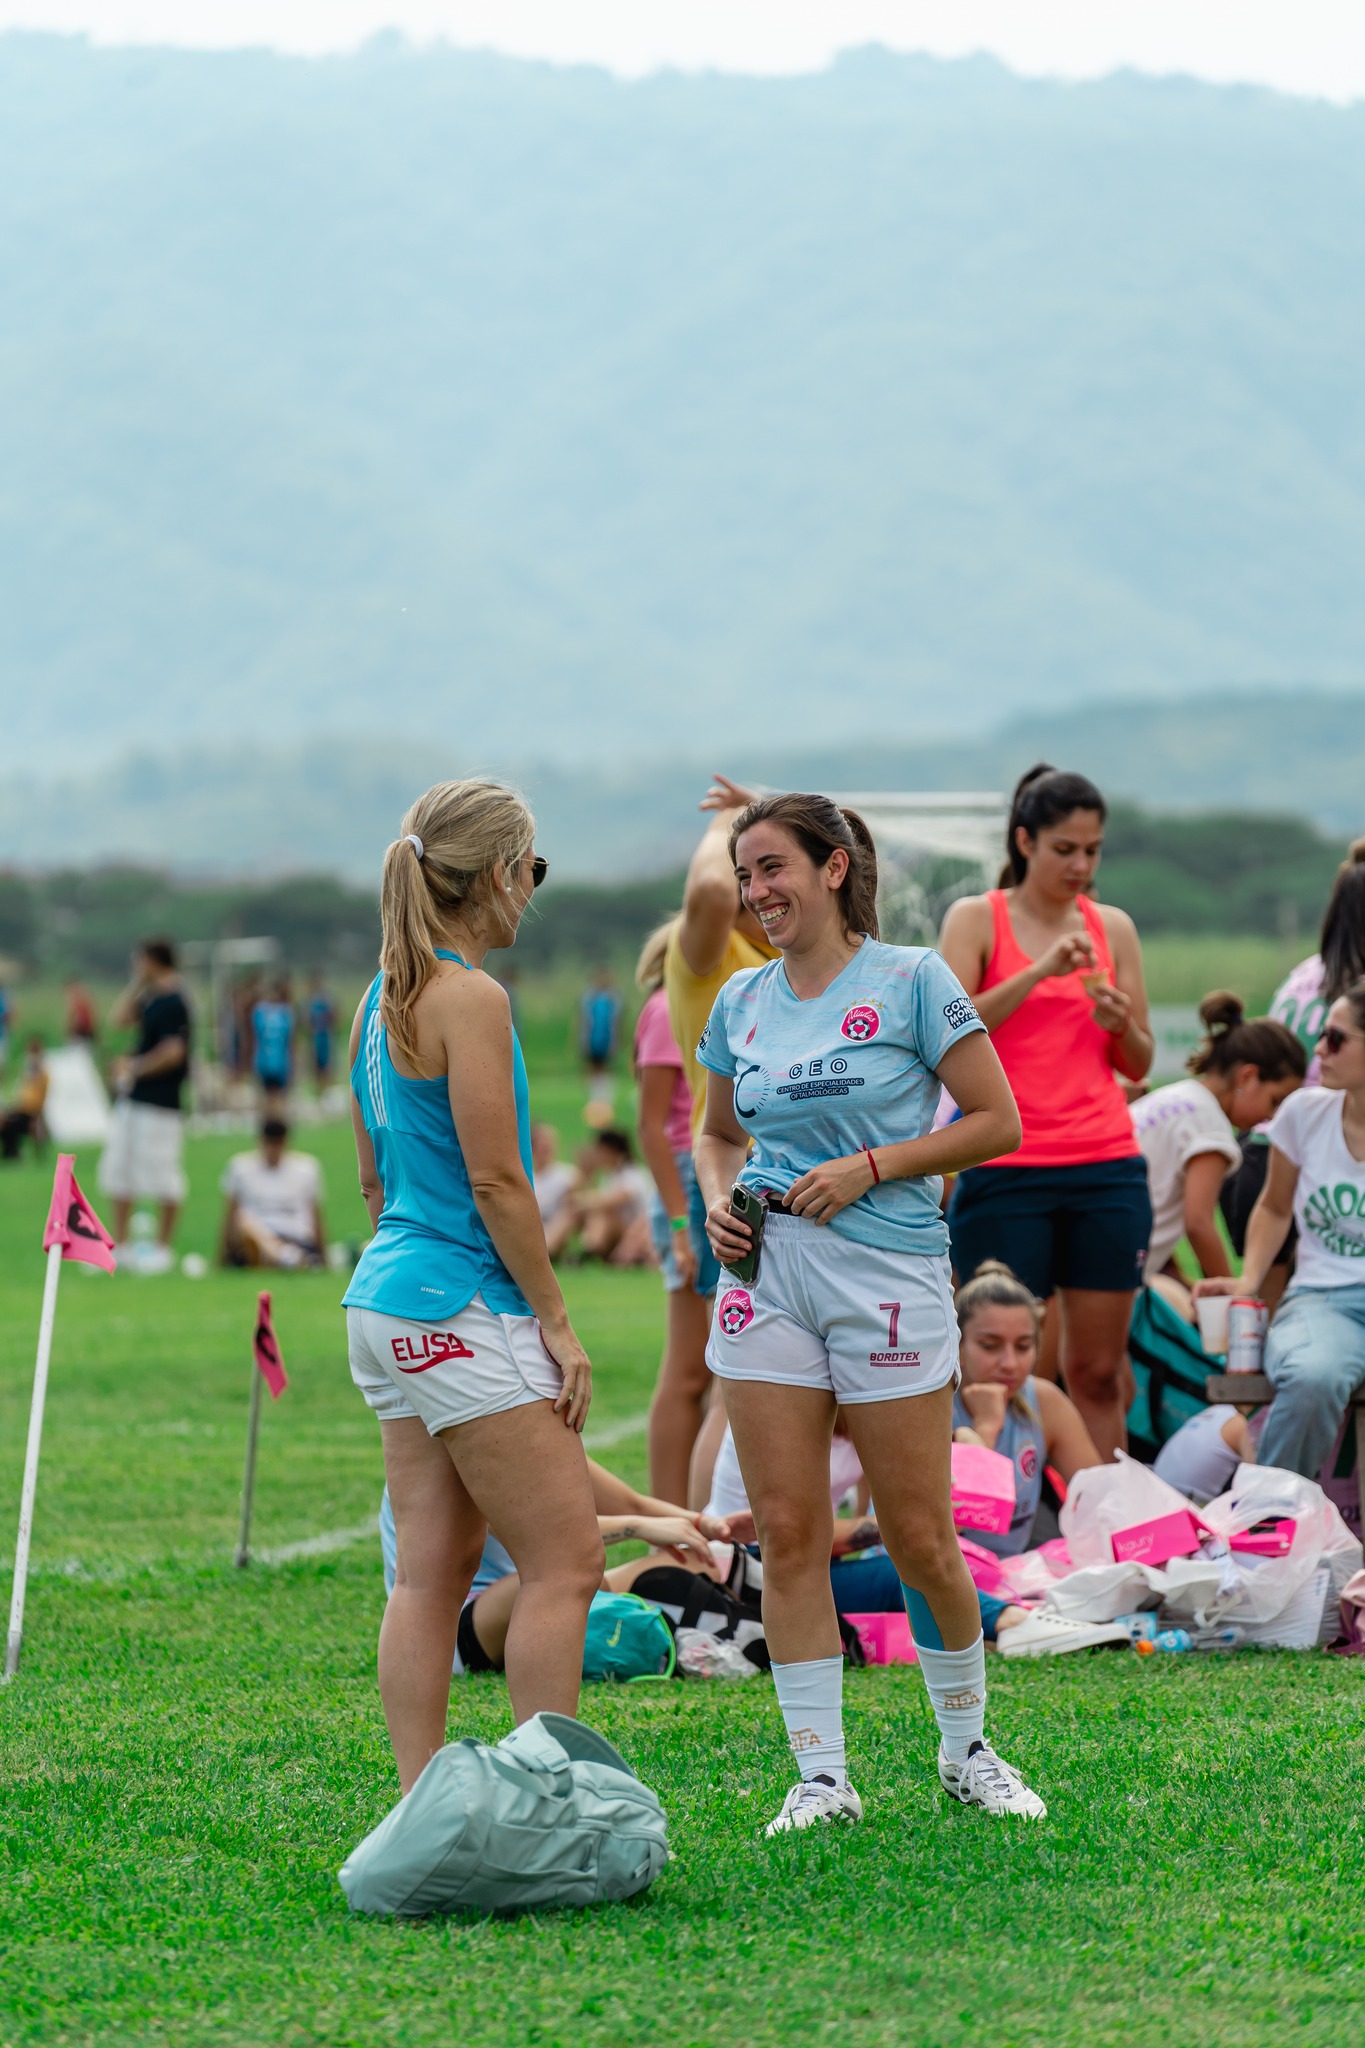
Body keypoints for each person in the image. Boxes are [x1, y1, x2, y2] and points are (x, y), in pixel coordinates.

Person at [696, 790, 1046, 1834]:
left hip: (887, 1275)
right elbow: (717, 1133)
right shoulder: (740, 1001)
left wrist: (873, 1166)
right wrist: (721, 1200)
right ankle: (821, 1775)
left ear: (835, 866)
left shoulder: (910, 979)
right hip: (767, 1279)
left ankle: (967, 1747)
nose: (758, 892)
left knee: (918, 1532)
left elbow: (997, 1120)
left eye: (773, 868)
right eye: (745, 872)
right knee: (791, 1532)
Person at [342, 779, 603, 1795]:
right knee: (566, 1559)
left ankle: (419, 1804)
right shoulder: (469, 996)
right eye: (531, 869)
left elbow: (374, 1178)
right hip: (456, 1300)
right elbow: (498, 1180)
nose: (531, 889)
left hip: (386, 1297)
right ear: (498, 873)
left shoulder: (379, 997)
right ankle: (549, 1800)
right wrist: (557, 1320)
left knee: (429, 1571)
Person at [939, 765, 1154, 1460]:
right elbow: (940, 1028)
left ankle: (1101, 1529)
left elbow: (1139, 1063)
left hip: (1104, 1166)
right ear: (1025, 841)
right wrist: (1035, 974)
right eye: (1065, 849)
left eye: (1092, 851)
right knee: (1002, 1375)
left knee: (1095, 1373)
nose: (1080, 865)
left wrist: (1120, 1023)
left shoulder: (1111, 927)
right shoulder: (977, 919)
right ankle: (1005, 1531)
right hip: (1005, 1167)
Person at [705, 1417, 1129, 1660]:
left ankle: (1013, 1625)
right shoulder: (785, 1419)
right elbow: (794, 1534)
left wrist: (973, 1428)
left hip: (816, 1558)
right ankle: (1013, 1625)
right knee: (901, 1570)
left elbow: (966, 1472)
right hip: (748, 1565)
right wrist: (900, 1530)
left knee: (926, 1557)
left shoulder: (864, 1420)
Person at [1195, 979, 1365, 1482]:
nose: (1319, 1050)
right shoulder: (1303, 1112)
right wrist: (1248, 1283)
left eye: (1335, 1039)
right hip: (1324, 1299)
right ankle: (1269, 1519)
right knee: (1313, 1376)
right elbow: (1273, 1208)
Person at [665, 773, 780, 1497]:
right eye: (748, 876)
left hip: (791, 1179)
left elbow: (844, 845)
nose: (759, 890)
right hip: (737, 1178)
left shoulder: (784, 963)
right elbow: (709, 894)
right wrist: (728, 821)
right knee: (725, 1386)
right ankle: (714, 1549)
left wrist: (769, 804)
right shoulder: (710, 964)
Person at [379, 1459, 734, 1677]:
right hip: (460, 1628)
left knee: (705, 1561)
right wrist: (636, 1527)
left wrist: (709, 1527)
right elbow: (540, 1536)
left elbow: (630, 1501)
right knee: (557, 1570)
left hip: (530, 1593)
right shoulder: (473, 1435)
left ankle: (728, 1623)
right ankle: (703, 1630)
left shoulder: (528, 1430)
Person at [1222, 839, 1365, 1310]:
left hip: (1258, 1162)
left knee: (1272, 1342)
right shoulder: (1356, 1001)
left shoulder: (1303, 976)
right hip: (1311, 1171)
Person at [635, 918, 722, 1505]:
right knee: (689, 1371)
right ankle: (671, 1521)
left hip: (708, 1176)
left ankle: (697, 1514)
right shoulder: (671, 1010)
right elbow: (652, 1127)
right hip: (690, 1181)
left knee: (713, 1370)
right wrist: (679, 1225)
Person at [1133, 994, 1304, 1289]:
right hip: (1111, 1270)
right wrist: (1231, 1295)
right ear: (1247, 1077)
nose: (1273, 1116)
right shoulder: (1209, 1126)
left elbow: (1155, 1202)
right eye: (1275, 1101)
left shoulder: (1176, 1096)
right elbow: (1198, 1223)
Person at [951, 1262, 1105, 1555]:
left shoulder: (1044, 1401)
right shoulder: (929, 1407)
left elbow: (1101, 1497)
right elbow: (946, 1528)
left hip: (1012, 1573)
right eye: (989, 1345)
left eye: (1022, 1347)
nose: (1009, 1363)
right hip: (934, 1578)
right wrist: (985, 1427)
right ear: (957, 1344)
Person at [99, 938, 192, 1271]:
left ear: (154, 960)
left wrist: (134, 1066)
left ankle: (162, 1248)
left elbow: (173, 1052)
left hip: (161, 1102)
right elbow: (118, 1020)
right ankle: (119, 1245)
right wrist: (137, 984)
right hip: (135, 1099)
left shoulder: (176, 1001)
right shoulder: (152, 998)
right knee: (119, 1169)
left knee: (162, 1173)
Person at [220, 1118, 327, 1268]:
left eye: (277, 1144)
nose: (273, 1149)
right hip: (254, 1237)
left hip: (295, 1236)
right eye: (269, 1143)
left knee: (245, 1221)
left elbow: (315, 1215)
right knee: (243, 1218)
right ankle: (284, 1257)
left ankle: (277, 1257)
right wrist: (221, 1258)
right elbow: (230, 1214)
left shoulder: (307, 1169)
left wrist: (324, 1257)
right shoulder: (240, 1168)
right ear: (261, 1142)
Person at [573, 1129, 655, 1266]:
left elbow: (617, 1199)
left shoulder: (634, 1174)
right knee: (591, 1212)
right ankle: (587, 1250)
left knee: (604, 1212)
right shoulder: (609, 1176)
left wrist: (582, 1202)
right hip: (622, 1232)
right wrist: (586, 1173)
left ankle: (589, 1249)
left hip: (637, 1231)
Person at [530, 1121, 579, 1261]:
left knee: (567, 1214)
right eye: (541, 1145)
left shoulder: (567, 1174)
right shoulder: (527, 1176)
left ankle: (545, 1250)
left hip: (557, 1222)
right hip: (534, 1223)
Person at [579, 966, 622, 1112]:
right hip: (592, 1038)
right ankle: (594, 1098)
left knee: (606, 1067)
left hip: (607, 1039)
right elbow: (584, 1020)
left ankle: (605, 1097)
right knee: (592, 1067)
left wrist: (617, 1041)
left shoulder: (613, 999)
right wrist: (582, 1040)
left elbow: (617, 1022)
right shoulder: (589, 998)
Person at [0, 1037, 49, 1161]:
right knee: (5, 1120)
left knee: (7, 1123)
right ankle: (11, 1152)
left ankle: (12, 1153)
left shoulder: (42, 1075)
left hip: (30, 1113)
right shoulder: (27, 1074)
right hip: (22, 1110)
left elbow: (36, 1101)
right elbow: (20, 1095)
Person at [251, 977, 295, 1103]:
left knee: (269, 1098)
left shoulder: (260, 1011)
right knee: (277, 1098)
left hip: (266, 1061)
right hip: (277, 1061)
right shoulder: (284, 1012)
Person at [305, 974, 338, 1094]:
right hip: (316, 1035)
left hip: (325, 1035)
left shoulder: (326, 999)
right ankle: (319, 1088)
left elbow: (334, 1016)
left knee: (326, 1062)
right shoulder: (310, 1001)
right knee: (316, 1063)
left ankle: (326, 1088)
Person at [64, 978, 97, 1046]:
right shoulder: (85, 999)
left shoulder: (79, 999)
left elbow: (71, 1016)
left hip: (82, 1031)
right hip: (81, 1031)